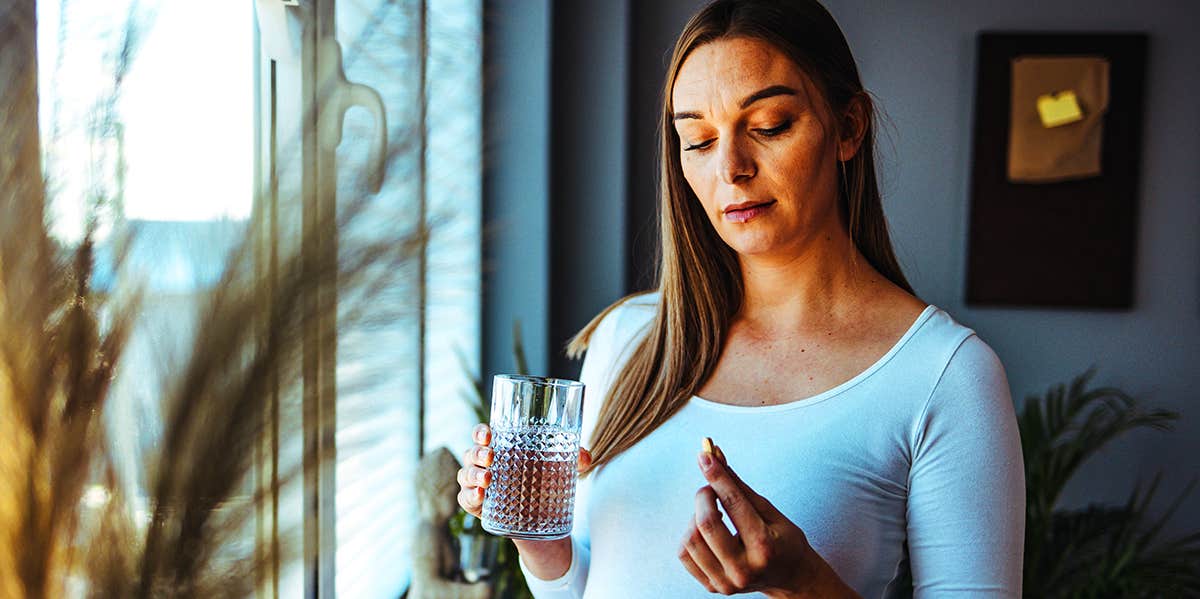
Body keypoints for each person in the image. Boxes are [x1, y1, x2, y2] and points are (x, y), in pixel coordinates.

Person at [457, 0, 1025, 596]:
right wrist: (540, 542)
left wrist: (803, 583)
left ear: (849, 128)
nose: (731, 168)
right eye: (698, 140)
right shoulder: (629, 338)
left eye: (770, 126)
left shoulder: (945, 375)